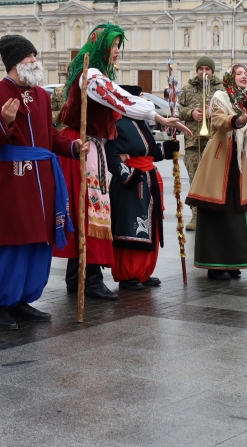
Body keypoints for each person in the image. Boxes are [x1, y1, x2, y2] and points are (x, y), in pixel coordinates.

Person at [54, 24, 183, 300]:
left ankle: (78, 277)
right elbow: (124, 102)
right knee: (90, 212)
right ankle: (89, 279)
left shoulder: (96, 74)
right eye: (112, 45)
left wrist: (157, 119)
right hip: (83, 145)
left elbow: (123, 103)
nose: (117, 51)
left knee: (89, 211)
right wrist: (155, 113)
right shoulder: (92, 75)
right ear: (100, 47)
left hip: (92, 145)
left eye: (118, 45)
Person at [0, 34, 87, 330]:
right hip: (15, 181)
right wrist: (4, 123)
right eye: (30, 58)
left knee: (39, 243)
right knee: (13, 243)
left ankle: (22, 298)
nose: (35, 62)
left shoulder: (41, 95)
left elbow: (50, 137)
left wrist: (73, 147)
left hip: (45, 180)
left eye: (35, 57)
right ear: (15, 62)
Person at [185, 65, 247, 279]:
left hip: (236, 163)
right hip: (219, 160)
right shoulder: (221, 96)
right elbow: (218, 121)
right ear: (230, 77)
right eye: (240, 73)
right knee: (215, 209)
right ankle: (215, 264)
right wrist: (238, 120)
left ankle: (233, 262)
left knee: (235, 211)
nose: (244, 76)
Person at [105, 85, 180, 291]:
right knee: (131, 227)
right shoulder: (119, 123)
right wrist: (129, 175)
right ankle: (127, 274)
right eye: (139, 97)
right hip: (131, 185)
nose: (144, 100)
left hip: (148, 182)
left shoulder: (141, 122)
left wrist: (167, 149)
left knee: (149, 228)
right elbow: (111, 154)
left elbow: (150, 151)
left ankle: (143, 271)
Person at [178, 56, 223, 231]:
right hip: (192, 141)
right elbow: (177, 110)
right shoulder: (188, 88)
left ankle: (213, 215)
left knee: (214, 179)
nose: (204, 72)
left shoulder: (221, 89)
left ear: (212, 71)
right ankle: (196, 216)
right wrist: (191, 113)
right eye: (201, 69)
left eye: (207, 69)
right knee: (195, 178)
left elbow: (229, 110)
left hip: (214, 141)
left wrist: (214, 111)